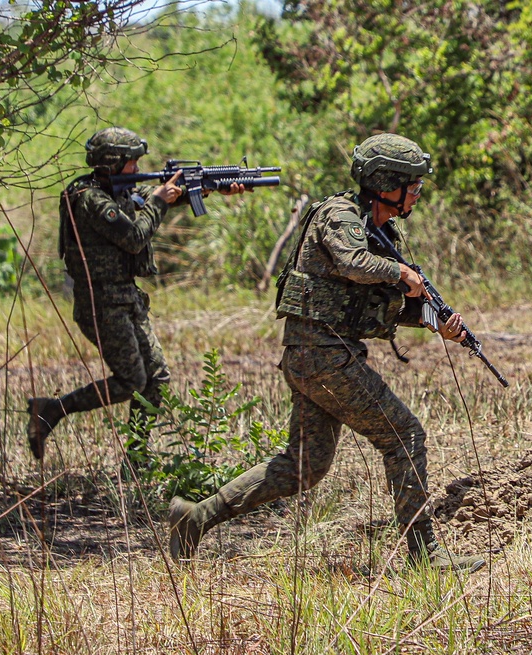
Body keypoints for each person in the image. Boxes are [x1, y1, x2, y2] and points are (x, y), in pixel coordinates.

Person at [168, 133, 486, 573]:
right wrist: (401, 272)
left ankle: (196, 517)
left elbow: (371, 302)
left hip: (317, 356)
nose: (417, 192)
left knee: (304, 466)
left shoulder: (377, 229)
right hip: (324, 356)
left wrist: (436, 323)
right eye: (412, 184)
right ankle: (424, 555)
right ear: (384, 182)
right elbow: (355, 265)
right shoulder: (340, 217)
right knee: (405, 436)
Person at [26, 127, 243, 466]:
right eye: (133, 162)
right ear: (114, 163)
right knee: (131, 381)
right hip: (100, 303)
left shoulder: (119, 192)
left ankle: (138, 457)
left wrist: (210, 187)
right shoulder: (90, 199)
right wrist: (161, 200)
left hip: (126, 297)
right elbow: (135, 237)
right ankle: (52, 409)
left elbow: (154, 194)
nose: (138, 168)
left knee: (156, 378)